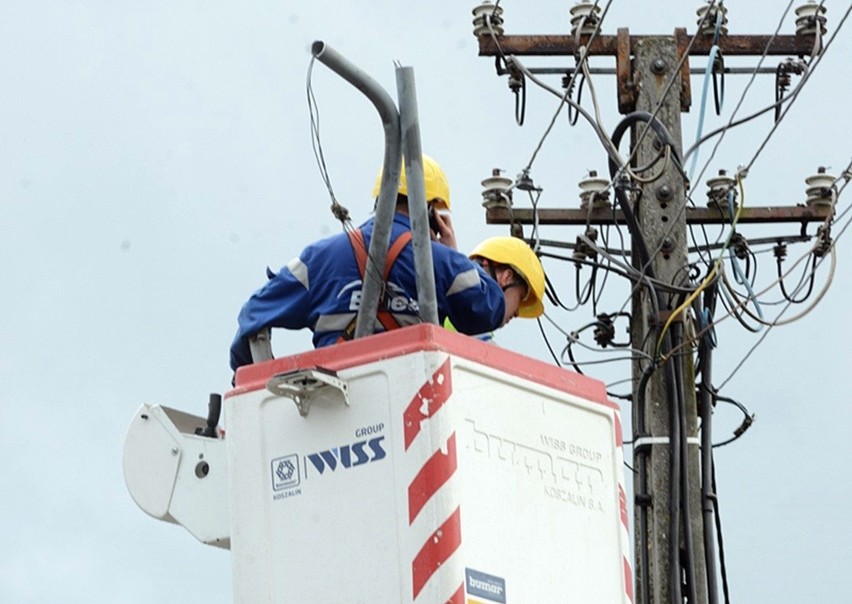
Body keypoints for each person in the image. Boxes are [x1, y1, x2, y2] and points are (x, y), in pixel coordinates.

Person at [229, 156, 544, 371]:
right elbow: (488, 309)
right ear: (435, 211)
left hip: (329, 416)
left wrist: (266, 391)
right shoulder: (444, 265)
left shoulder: (318, 260)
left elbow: (252, 315)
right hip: (409, 416)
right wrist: (454, 256)